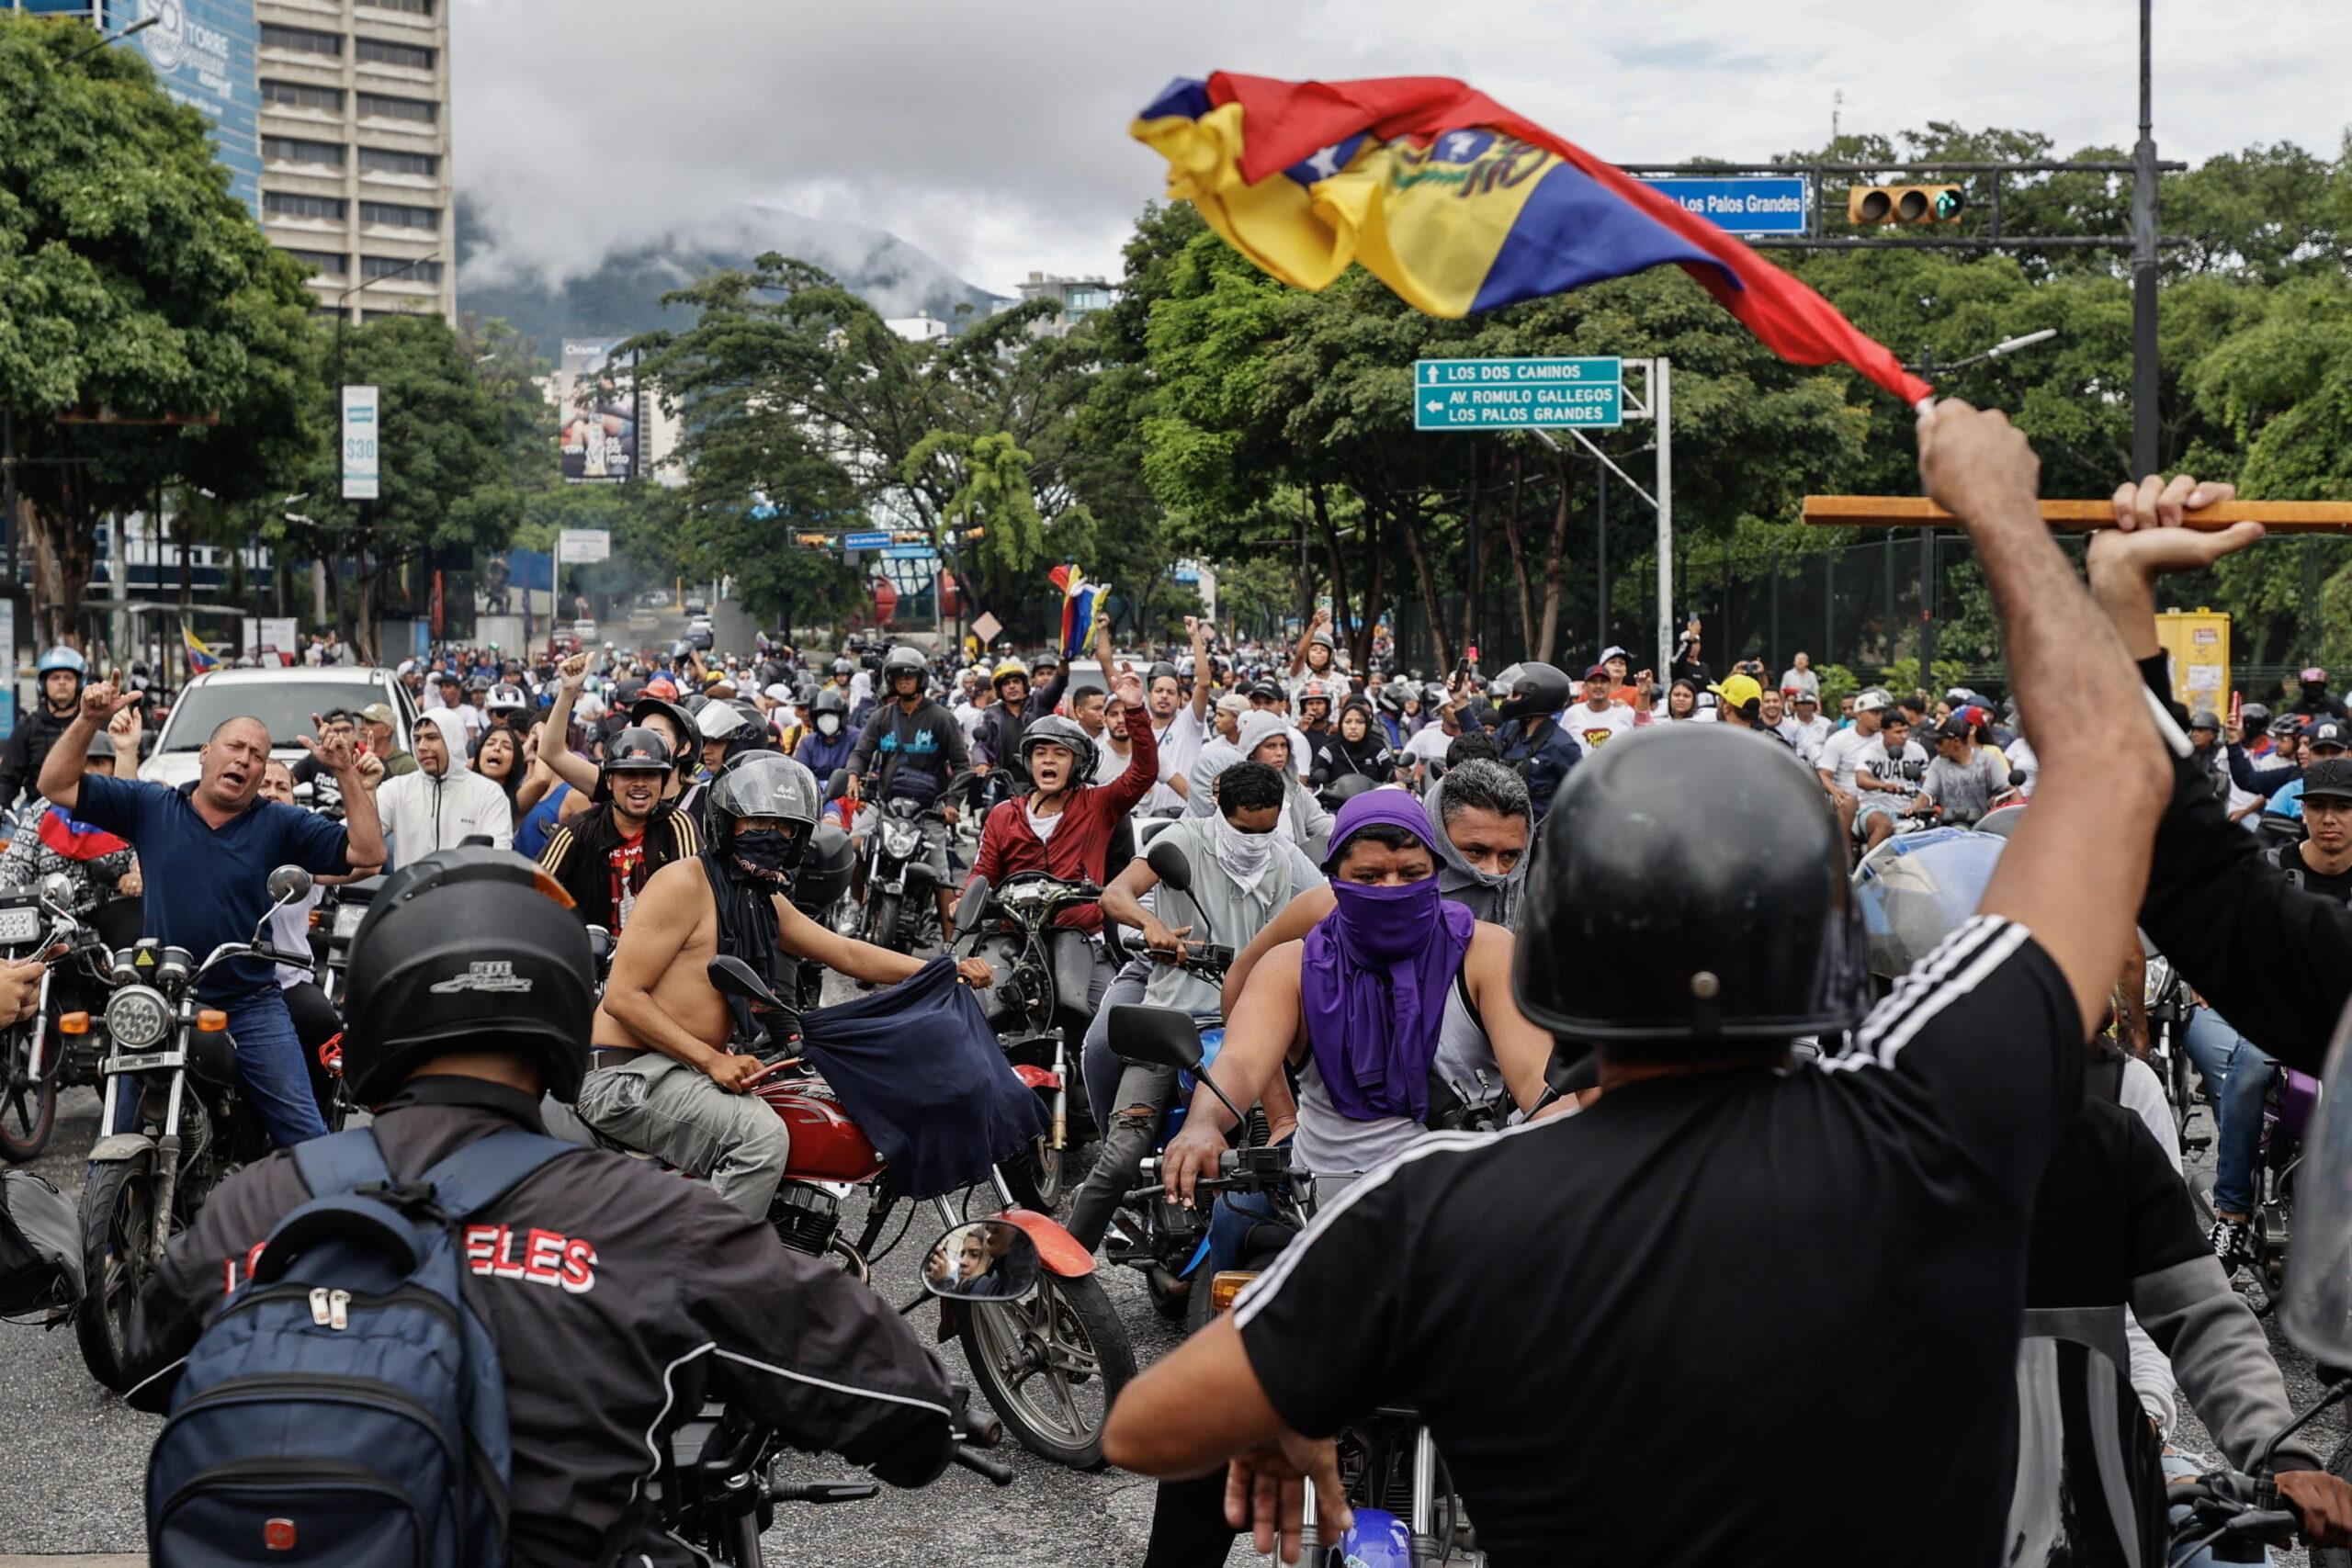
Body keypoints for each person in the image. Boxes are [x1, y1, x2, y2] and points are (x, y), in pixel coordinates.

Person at [1103, 399, 2174, 1567]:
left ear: (1555, 942)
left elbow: (1147, 1427)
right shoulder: (1942, 1114)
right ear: (1824, 945)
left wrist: (1286, 1404)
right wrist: (2003, 515)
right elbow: (2117, 768)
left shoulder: (1432, 1213)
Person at [115, 847, 967, 1567]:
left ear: (374, 1004)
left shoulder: (257, 1199)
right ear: (562, 1008)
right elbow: (899, 1398)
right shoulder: (650, 1220)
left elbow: (150, 1365)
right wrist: (928, 1436)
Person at [582, 753, 989, 1220]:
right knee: (759, 1139)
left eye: (785, 826)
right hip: (625, 1075)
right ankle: (708, 1282)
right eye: (758, 820)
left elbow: (846, 952)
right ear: (728, 821)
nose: (771, 835)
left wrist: (941, 968)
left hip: (676, 1071)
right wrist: (712, 1059)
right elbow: (622, 997)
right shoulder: (683, 883)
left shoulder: (760, 900)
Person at [40, 678, 388, 1148]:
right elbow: (55, 784)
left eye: (257, 755)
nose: (245, 759)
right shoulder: (153, 805)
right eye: (235, 746)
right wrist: (87, 718)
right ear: (206, 753)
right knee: (114, 1136)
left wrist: (346, 771)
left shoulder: (279, 822)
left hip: (250, 1001)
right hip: (161, 995)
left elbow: (368, 853)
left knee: (307, 1141)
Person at [1070, 760, 1322, 1253]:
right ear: (1220, 811)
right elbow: (1116, 894)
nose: (1255, 839)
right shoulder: (1185, 839)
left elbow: (1329, 904)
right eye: (1245, 829)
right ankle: (1053, 1279)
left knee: (1299, 1145)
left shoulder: (1284, 858)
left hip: (1253, 1025)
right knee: (1122, 1157)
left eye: (1267, 828)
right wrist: (1151, 925)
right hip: (1174, 1023)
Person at [2184, 755, 2352, 1277]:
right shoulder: (2274, 870)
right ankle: (2232, 1212)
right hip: (2287, 1022)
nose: (2330, 819)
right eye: (2319, 807)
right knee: (2251, 1064)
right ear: (2302, 814)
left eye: (2343, 808)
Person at [844, 646, 972, 937]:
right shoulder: (881, 717)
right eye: (898, 675)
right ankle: (854, 903)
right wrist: (853, 776)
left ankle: (950, 947)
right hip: (886, 804)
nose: (904, 680)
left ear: (921, 679)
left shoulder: (942, 718)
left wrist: (952, 804)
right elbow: (861, 753)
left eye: (910, 675)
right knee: (852, 847)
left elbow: (963, 766)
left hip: (928, 810)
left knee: (941, 875)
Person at [537, 728, 703, 934]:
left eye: (651, 774)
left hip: (661, 960)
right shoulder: (576, 831)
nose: (640, 783)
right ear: (609, 780)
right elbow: (533, 892)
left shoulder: (678, 824)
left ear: (663, 781)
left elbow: (698, 897)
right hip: (590, 961)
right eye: (628, 773)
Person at [371, 710, 514, 866]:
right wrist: (362, 789)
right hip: (409, 890)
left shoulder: (489, 794)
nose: (421, 747)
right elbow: (356, 838)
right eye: (417, 739)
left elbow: (499, 856)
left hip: (469, 889)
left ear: (453, 742)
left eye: (431, 738)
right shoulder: (396, 789)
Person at [1187, 710, 1329, 851]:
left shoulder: (1294, 789)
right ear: (1252, 751)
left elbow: (1323, 824)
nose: (1279, 753)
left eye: (1283, 745)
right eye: (1271, 746)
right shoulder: (1230, 791)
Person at [0, 646, 88, 809]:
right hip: (36, 809)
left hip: (85, 810)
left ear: (79, 683)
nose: (62, 682)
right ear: (43, 684)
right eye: (55, 678)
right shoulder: (28, 726)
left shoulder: (90, 723)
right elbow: (7, 778)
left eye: (68, 677)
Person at [1489, 661, 1579, 818]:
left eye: (1515, 694)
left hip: (1539, 834)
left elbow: (1582, 792)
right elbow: (1480, 747)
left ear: (1535, 698)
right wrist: (1461, 703)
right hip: (1501, 828)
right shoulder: (1509, 730)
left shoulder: (1562, 745)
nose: (1508, 699)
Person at [1911, 713, 2015, 825]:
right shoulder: (1938, 763)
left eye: (1940, 742)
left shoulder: (1987, 761)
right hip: (1946, 829)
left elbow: (2010, 790)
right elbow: (1926, 794)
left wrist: (2015, 818)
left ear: (1956, 741)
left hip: (1981, 828)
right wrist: (1912, 810)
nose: (1936, 746)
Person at [1814, 687, 1889, 840]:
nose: (1880, 717)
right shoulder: (1839, 739)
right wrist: (1835, 791)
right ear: (1859, 715)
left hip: (1882, 798)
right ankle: (1846, 858)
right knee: (1848, 803)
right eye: (1875, 713)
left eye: (1882, 713)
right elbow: (1823, 774)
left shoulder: (1886, 738)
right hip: (1849, 799)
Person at [1308, 695, 1396, 789]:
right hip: (1336, 803)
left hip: (1371, 802)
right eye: (1348, 721)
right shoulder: (1329, 751)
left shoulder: (1378, 751)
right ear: (1341, 725)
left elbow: (1391, 782)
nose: (1353, 726)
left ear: (1367, 725)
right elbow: (1314, 782)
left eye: (1360, 722)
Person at [1560, 665, 1634, 757]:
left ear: (1610, 686)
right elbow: (1560, 749)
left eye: (1603, 682)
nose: (1598, 686)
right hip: (1583, 770)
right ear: (1585, 687)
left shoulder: (1626, 712)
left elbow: (1644, 741)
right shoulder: (1572, 714)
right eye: (1593, 681)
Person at [356, 702, 417, 779]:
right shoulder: (355, 757)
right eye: (362, 721)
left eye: (369, 722)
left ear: (387, 730)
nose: (361, 727)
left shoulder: (405, 765)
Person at [1781, 690, 1832, 761]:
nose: (1806, 707)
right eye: (1802, 704)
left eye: (1809, 703)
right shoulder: (1787, 723)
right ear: (1795, 706)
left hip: (1822, 762)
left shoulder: (1825, 723)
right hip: (1796, 762)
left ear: (1814, 706)